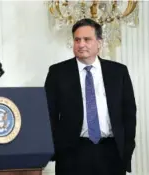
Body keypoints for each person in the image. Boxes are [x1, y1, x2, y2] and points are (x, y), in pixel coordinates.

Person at [44, 18, 136, 175]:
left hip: (111, 152)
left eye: (87, 39)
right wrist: (55, 149)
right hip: (72, 154)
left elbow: (129, 113)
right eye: (77, 40)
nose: (81, 44)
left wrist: (127, 149)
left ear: (99, 43)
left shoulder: (118, 72)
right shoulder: (58, 73)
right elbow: (47, 114)